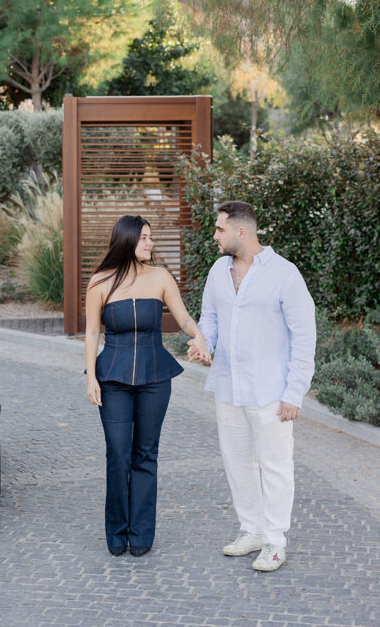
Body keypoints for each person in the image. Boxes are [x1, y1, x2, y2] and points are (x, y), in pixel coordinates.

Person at [189, 201, 315, 572]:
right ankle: (252, 531)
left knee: (276, 467)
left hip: (271, 391)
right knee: (238, 463)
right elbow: (209, 316)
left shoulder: (284, 274)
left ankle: (275, 542)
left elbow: (305, 336)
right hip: (229, 386)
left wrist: (294, 392)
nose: (214, 236)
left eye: (219, 229)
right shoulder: (217, 270)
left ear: (241, 232)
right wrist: (203, 342)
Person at [85, 215, 211, 557]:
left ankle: (141, 533)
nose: (150, 244)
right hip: (112, 378)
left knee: (145, 455)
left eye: (150, 238)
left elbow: (182, 318)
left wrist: (198, 335)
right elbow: (93, 332)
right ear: (127, 240)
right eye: (144, 238)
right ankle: (117, 531)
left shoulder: (160, 277)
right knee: (118, 454)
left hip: (155, 379)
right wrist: (91, 377)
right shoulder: (100, 282)